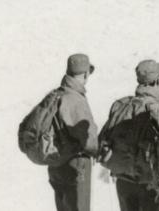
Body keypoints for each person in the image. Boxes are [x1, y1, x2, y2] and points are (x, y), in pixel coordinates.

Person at [100, 60, 159, 211]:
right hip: (150, 183)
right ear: (157, 81)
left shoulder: (120, 105)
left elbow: (103, 138)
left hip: (123, 181)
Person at [47, 54, 101, 211]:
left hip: (56, 163)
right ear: (85, 74)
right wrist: (97, 150)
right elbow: (88, 140)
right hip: (75, 165)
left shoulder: (57, 94)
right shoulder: (75, 98)